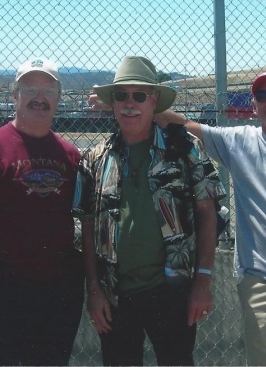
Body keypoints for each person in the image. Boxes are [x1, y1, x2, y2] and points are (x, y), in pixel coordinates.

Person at [73, 55, 226, 366]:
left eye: (139, 95)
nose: (130, 104)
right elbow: (87, 226)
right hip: (115, 295)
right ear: (112, 103)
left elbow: (208, 214)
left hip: (172, 292)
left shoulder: (184, 150)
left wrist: (203, 281)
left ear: (154, 101)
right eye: (121, 95)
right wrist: (94, 290)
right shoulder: (93, 160)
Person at [155, 68, 266, 366]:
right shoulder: (239, 142)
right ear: (253, 104)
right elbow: (179, 122)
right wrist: (121, 101)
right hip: (262, 283)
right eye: (262, 95)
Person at [0, 58, 85, 366]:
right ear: (14, 95)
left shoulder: (70, 154)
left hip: (57, 288)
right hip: (7, 285)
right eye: (30, 89)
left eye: (48, 90)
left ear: (59, 98)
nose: (39, 98)